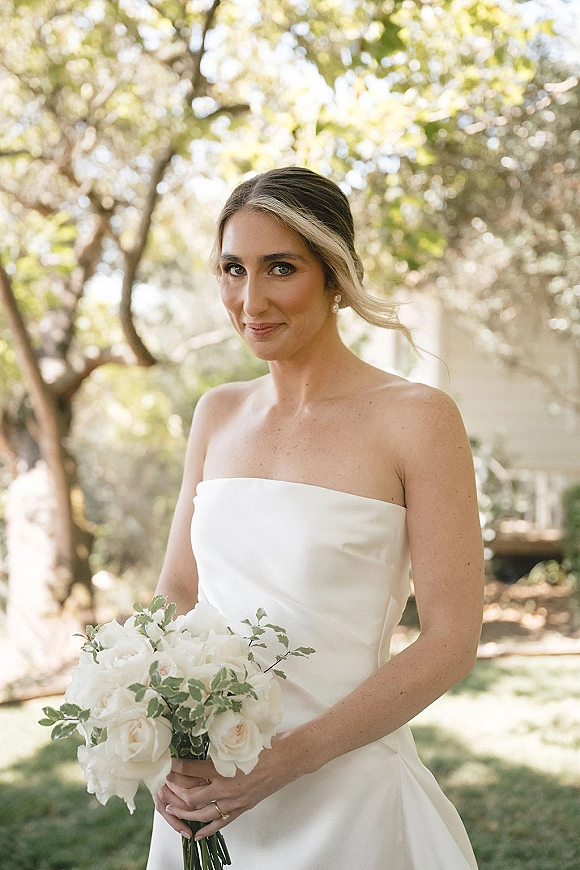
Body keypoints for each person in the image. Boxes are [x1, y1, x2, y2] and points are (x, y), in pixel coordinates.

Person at [146, 166, 483, 869]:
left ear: (335, 276)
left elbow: (451, 639)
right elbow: (178, 590)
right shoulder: (217, 412)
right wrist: (155, 732)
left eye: (280, 268)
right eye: (232, 269)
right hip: (208, 794)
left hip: (347, 797)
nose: (250, 299)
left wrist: (281, 764)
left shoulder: (417, 419)